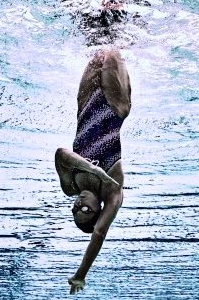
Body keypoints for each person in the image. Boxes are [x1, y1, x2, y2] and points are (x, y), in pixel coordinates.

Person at [55, 49, 131, 293]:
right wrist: (80, 274)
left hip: (85, 103)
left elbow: (60, 154)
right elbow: (99, 232)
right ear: (99, 209)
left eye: (75, 210)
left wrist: (91, 169)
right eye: (86, 210)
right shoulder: (112, 189)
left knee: (95, 49)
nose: (79, 204)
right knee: (112, 48)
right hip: (114, 105)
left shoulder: (71, 186)